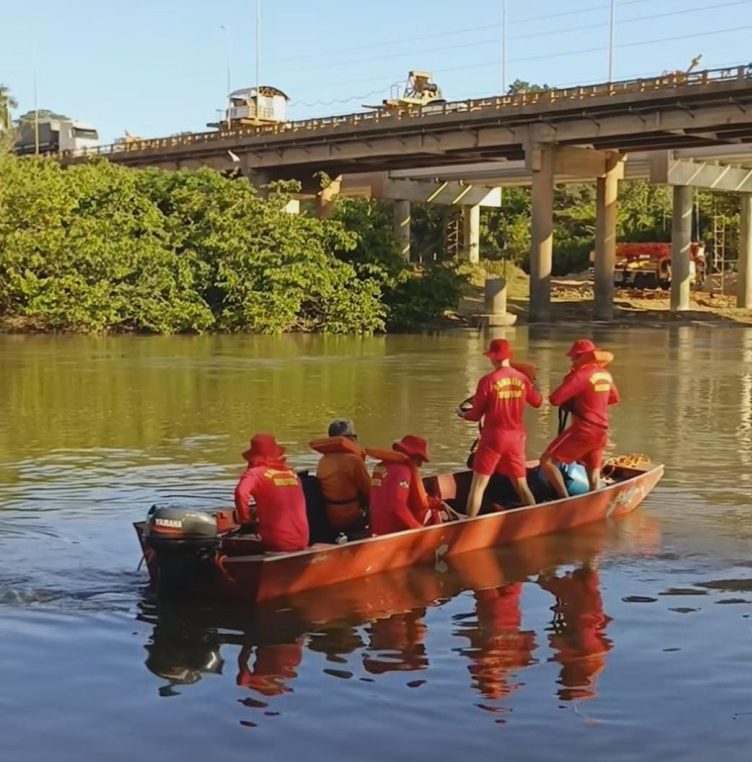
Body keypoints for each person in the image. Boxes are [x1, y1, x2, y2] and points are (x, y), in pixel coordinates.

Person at [458, 338, 543, 517]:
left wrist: (461, 413)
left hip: (493, 438)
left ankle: (468, 524)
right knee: (521, 484)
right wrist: (533, 382)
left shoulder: (488, 381)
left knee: (479, 486)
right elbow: (537, 402)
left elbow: (474, 416)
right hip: (516, 439)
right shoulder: (523, 379)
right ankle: (535, 517)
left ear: (492, 358)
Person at [541, 339, 620, 498]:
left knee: (547, 461)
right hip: (601, 431)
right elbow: (614, 398)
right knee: (593, 469)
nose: (571, 360)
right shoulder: (605, 374)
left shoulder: (580, 375)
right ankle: (595, 498)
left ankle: (563, 498)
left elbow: (555, 399)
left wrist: (577, 401)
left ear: (582, 357)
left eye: (574, 357)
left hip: (583, 429)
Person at [234, 433, 309, 553]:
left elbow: (240, 493)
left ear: (253, 455)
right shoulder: (292, 474)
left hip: (277, 543)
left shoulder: (255, 473)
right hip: (303, 540)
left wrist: (245, 521)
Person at [367, 435, 450, 536]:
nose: (420, 465)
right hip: (393, 531)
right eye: (420, 460)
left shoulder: (380, 466)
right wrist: (418, 529)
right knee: (434, 515)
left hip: (376, 528)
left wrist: (437, 503)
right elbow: (397, 505)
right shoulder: (403, 470)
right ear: (414, 456)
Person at [310, 419, 370, 534]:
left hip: (329, 516)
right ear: (348, 439)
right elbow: (369, 491)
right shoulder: (353, 460)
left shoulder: (323, 460)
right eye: (354, 436)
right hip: (349, 517)